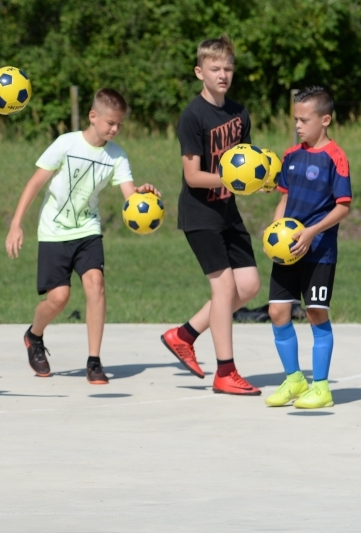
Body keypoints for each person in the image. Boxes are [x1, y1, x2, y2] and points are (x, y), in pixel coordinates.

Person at [6, 88, 158, 383]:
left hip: (88, 230)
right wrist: (16, 223)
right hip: (53, 231)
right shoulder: (66, 144)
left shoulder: (117, 156)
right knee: (59, 298)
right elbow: (35, 183)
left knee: (96, 285)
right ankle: (34, 335)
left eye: (119, 124)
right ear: (93, 116)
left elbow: (129, 195)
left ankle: (94, 360)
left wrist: (140, 195)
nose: (115, 129)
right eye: (110, 123)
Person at [160, 36, 261, 395]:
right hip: (200, 213)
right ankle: (225, 372)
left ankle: (183, 335)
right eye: (215, 68)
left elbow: (248, 164)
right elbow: (193, 176)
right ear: (199, 71)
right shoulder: (193, 116)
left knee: (248, 286)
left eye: (228, 68)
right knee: (224, 289)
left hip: (227, 211)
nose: (223, 74)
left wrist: (260, 179)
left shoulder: (239, 113)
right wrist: (235, 179)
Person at [264, 86, 351, 409]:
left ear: (324, 119)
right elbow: (284, 198)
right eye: (295, 119)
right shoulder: (290, 155)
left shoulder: (335, 158)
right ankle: (294, 379)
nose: (298, 125)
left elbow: (343, 206)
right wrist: (275, 232)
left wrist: (312, 232)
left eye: (304, 119)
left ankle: (323, 387)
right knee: (277, 311)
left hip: (319, 252)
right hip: (287, 251)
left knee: (315, 313)